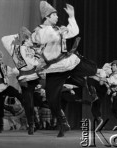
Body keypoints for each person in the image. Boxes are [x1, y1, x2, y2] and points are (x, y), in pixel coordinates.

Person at [31, 1, 97, 137]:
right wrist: (59, 32)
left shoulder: (57, 29)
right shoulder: (39, 30)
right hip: (53, 69)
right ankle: (63, 124)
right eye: (54, 15)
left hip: (67, 63)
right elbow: (42, 38)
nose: (57, 17)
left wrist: (71, 17)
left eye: (56, 15)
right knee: (51, 99)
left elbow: (74, 32)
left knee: (92, 70)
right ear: (47, 17)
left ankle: (88, 66)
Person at [1, 27, 43, 135]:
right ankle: (32, 124)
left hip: (36, 78)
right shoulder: (16, 49)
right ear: (26, 39)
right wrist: (18, 35)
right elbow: (4, 39)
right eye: (30, 39)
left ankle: (36, 122)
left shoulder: (33, 50)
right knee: (28, 102)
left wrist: (39, 54)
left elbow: (38, 62)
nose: (32, 42)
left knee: (40, 99)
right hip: (25, 79)